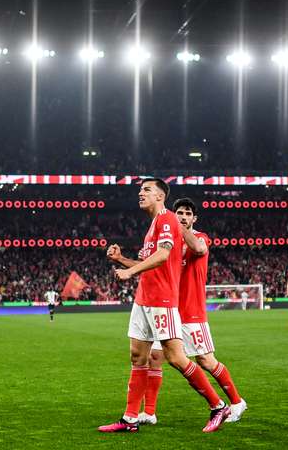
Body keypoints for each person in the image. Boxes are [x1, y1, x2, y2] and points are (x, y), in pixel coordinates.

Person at [98, 179, 230, 434]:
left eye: (146, 189)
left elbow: (163, 255)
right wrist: (120, 260)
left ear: (160, 196)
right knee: (138, 357)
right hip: (143, 299)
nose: (140, 193)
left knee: (176, 358)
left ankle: (218, 405)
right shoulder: (152, 226)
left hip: (162, 300)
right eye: (140, 190)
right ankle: (130, 419)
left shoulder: (168, 219)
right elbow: (147, 262)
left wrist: (130, 272)